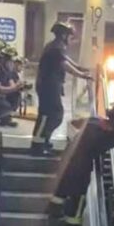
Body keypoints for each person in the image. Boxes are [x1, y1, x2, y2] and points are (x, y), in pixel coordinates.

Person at [48, 105, 114, 226]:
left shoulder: (93, 120)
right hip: (82, 168)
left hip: (68, 160)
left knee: (61, 189)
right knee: (79, 197)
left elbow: (74, 123)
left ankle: (53, 215)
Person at [31, 22, 93, 156]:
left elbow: (67, 59)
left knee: (50, 115)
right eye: (70, 36)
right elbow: (64, 64)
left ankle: (43, 141)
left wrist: (80, 68)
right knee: (52, 115)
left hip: (49, 86)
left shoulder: (56, 46)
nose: (71, 39)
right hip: (48, 87)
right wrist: (81, 75)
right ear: (64, 35)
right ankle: (38, 145)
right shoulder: (56, 48)